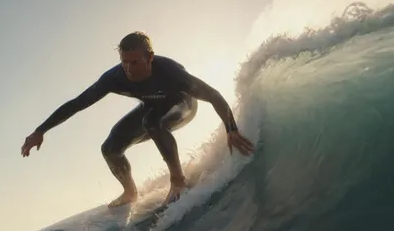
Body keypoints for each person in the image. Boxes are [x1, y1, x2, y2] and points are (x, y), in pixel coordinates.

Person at [21, 32, 254, 207]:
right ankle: (130, 192)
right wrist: (41, 130)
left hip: (182, 105)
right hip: (152, 107)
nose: (129, 69)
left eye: (135, 62)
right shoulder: (114, 78)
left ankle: (178, 180)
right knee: (110, 148)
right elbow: (77, 103)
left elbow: (213, 95)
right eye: (124, 62)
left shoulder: (171, 73)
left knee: (152, 122)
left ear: (150, 57)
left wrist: (231, 129)